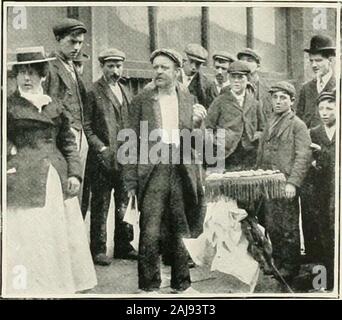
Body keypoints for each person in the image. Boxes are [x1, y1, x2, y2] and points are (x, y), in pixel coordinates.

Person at [6, 47, 97, 295]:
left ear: (43, 75)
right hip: (23, 176)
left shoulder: (54, 106)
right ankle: (30, 284)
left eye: (32, 73)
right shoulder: (9, 106)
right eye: (22, 72)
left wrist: (74, 174)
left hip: (54, 176)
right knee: (29, 231)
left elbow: (68, 143)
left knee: (56, 233)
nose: (26, 78)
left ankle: (57, 282)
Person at [124, 48, 207, 294]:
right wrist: (130, 181)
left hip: (180, 168)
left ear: (177, 72)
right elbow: (130, 139)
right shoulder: (143, 98)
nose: (158, 72)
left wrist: (197, 125)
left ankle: (182, 284)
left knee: (181, 226)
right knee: (150, 228)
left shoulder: (186, 96)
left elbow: (193, 139)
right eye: (156, 67)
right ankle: (149, 286)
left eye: (164, 68)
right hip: (153, 169)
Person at [83, 48, 137, 265]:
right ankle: (98, 249)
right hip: (101, 160)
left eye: (118, 66)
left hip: (124, 157)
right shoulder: (93, 91)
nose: (115, 71)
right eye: (111, 66)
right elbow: (87, 126)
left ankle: (124, 245)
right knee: (101, 203)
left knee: (124, 202)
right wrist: (101, 149)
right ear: (102, 67)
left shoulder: (125, 90)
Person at [257, 81, 312, 283]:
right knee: (272, 224)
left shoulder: (297, 125)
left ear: (292, 101)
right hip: (268, 182)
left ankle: (290, 266)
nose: (278, 101)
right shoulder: (270, 121)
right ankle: (278, 263)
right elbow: (261, 152)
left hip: (285, 183)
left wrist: (293, 183)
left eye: (283, 98)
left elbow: (303, 156)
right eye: (275, 97)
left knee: (288, 226)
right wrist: (258, 177)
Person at [43, 18, 89, 203]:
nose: (77, 47)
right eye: (72, 41)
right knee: (65, 187)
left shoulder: (71, 66)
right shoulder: (50, 67)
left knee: (76, 185)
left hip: (79, 132)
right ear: (59, 39)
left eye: (80, 42)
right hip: (64, 134)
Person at [205, 60, 264, 171]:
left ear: (247, 79)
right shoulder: (220, 101)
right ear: (229, 78)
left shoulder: (254, 103)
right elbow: (208, 128)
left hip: (249, 155)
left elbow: (263, 128)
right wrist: (217, 144)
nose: (236, 81)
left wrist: (254, 137)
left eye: (240, 77)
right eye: (233, 77)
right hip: (226, 154)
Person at [308, 90, 336, 291]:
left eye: (330, 108)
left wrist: (323, 153)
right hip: (321, 190)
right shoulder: (314, 132)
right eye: (321, 109)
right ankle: (325, 280)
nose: (324, 113)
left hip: (338, 189)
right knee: (323, 232)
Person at [296, 35, 335, 129]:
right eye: (311, 61)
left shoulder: (339, 86)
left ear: (330, 60)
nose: (314, 65)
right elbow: (298, 120)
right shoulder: (306, 88)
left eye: (318, 60)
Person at [237, 48, 272, 122]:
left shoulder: (269, 90)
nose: (244, 63)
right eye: (242, 60)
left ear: (258, 67)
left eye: (249, 60)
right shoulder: (230, 88)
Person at [181, 43, 212, 109]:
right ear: (184, 59)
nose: (193, 67)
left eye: (198, 64)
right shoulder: (173, 76)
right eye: (191, 62)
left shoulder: (206, 84)